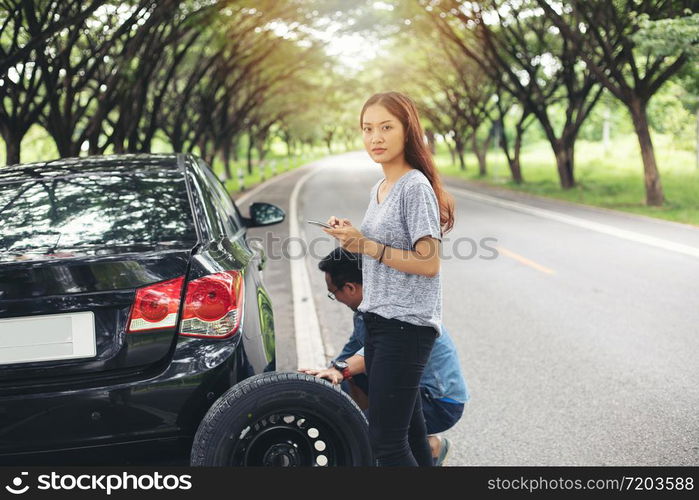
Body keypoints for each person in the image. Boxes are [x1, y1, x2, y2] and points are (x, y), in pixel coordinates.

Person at [322, 91, 455, 467]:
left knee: (386, 443)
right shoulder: (380, 188)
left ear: (407, 131)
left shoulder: (415, 187)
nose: (375, 138)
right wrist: (353, 236)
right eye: (367, 129)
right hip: (380, 322)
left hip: (406, 326)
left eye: (385, 127)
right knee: (411, 441)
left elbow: (429, 263)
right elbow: (377, 246)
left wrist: (364, 243)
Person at [300, 248, 469, 466]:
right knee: (346, 391)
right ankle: (401, 446)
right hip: (409, 386)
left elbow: (375, 352)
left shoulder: (392, 309)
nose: (335, 298)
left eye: (333, 293)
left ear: (350, 288)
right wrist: (321, 379)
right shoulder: (366, 310)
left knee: (363, 433)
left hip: (438, 401)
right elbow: (351, 351)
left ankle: (428, 447)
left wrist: (340, 369)